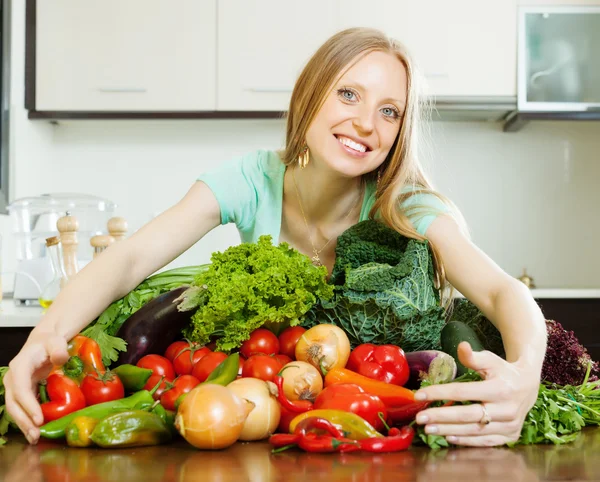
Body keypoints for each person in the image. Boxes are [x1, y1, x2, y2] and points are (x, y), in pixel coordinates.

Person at [4, 27, 546, 447]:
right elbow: (129, 260)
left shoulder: (404, 207)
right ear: (311, 95)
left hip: (372, 420)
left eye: (389, 112)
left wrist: (524, 376)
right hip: (274, 417)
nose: (365, 123)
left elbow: (503, 292)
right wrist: (42, 338)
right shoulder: (250, 180)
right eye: (349, 94)